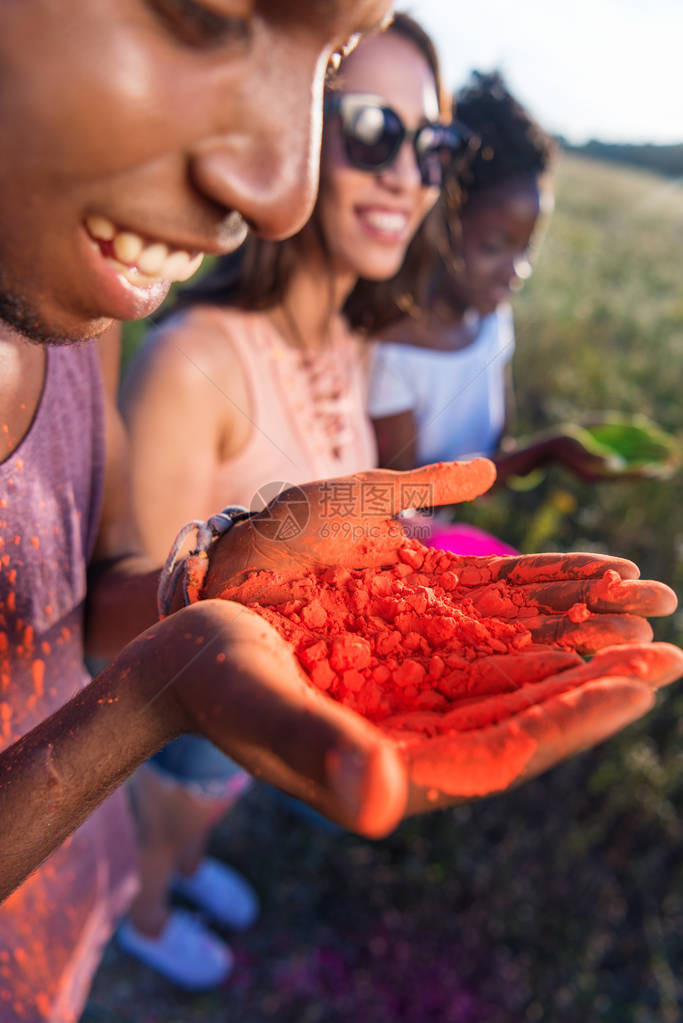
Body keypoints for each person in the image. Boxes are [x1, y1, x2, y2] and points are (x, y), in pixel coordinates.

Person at [0, 5, 680, 1020]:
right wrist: (150, 703)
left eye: (431, 146)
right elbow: (124, 677)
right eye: (207, 13)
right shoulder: (184, 350)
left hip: (61, 909)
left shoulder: (78, 326)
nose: (282, 187)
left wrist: (223, 592)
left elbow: (78, 608)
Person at [121, 12, 460, 984]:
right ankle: (145, 913)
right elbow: (130, 651)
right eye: (371, 134)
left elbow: (316, 506)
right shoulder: (193, 361)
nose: (407, 175)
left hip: (268, 712)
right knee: (171, 808)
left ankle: (184, 871)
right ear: (292, 132)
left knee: (209, 811)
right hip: (188, 719)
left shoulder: (347, 342)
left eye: (429, 146)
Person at [367, 71, 616, 483]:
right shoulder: (392, 352)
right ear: (440, 222)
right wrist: (547, 451)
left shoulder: (493, 321)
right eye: (493, 247)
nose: (518, 271)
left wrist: (562, 449)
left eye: (527, 247)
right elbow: (409, 502)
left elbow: (498, 456)